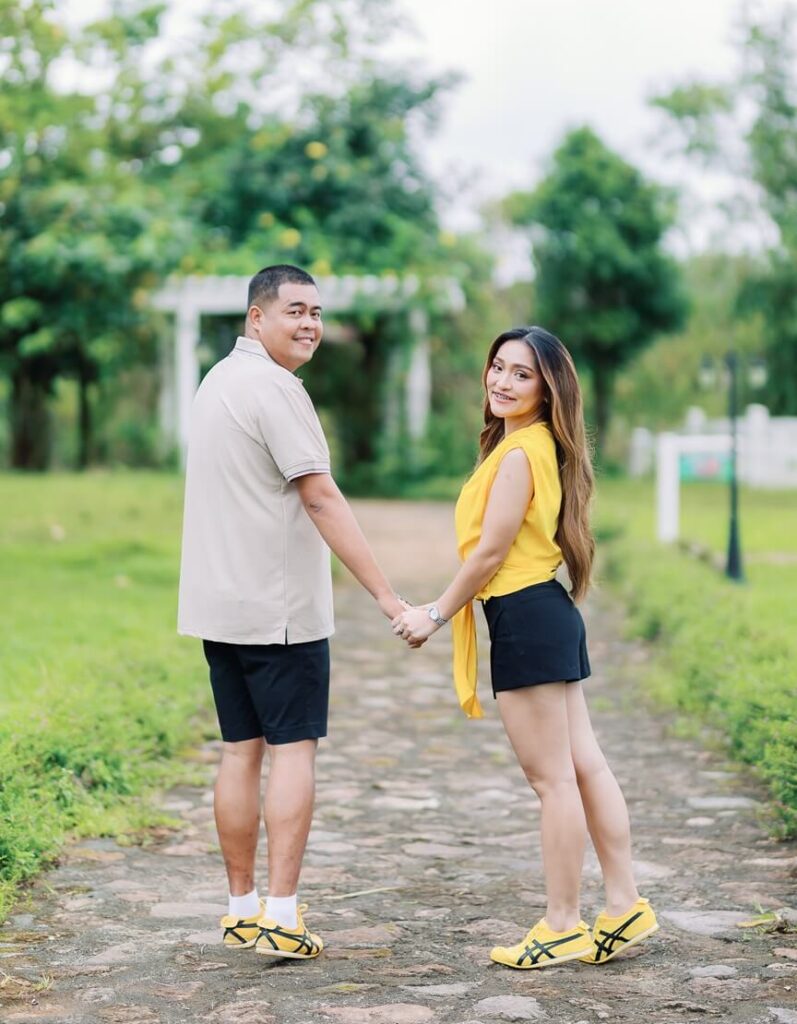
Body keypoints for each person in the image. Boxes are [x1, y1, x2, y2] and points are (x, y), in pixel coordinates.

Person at [392, 326, 658, 969]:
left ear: (548, 389)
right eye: (498, 367)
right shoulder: (535, 445)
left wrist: (433, 613)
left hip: (525, 616)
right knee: (584, 766)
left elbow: (489, 552)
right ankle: (623, 904)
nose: (503, 381)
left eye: (522, 374)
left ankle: (563, 924)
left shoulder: (519, 454)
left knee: (554, 780)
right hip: (546, 612)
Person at [178, 264, 405, 961]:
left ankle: (240, 909)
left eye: (316, 312)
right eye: (294, 311)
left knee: (239, 752)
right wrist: (386, 595)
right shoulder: (276, 389)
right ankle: (280, 915)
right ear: (257, 317)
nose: (309, 324)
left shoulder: (217, 381)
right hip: (277, 611)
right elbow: (320, 496)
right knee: (292, 752)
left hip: (221, 606)